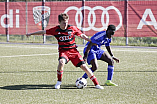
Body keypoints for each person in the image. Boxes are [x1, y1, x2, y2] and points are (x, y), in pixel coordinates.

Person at [26, 13, 104, 89]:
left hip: (74, 51)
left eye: (66, 23)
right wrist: (31, 34)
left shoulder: (72, 28)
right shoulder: (55, 30)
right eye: (63, 23)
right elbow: (43, 32)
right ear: (59, 22)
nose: (65, 25)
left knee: (84, 67)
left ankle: (96, 84)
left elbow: (82, 35)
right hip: (64, 52)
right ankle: (59, 82)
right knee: (61, 62)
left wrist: (89, 40)